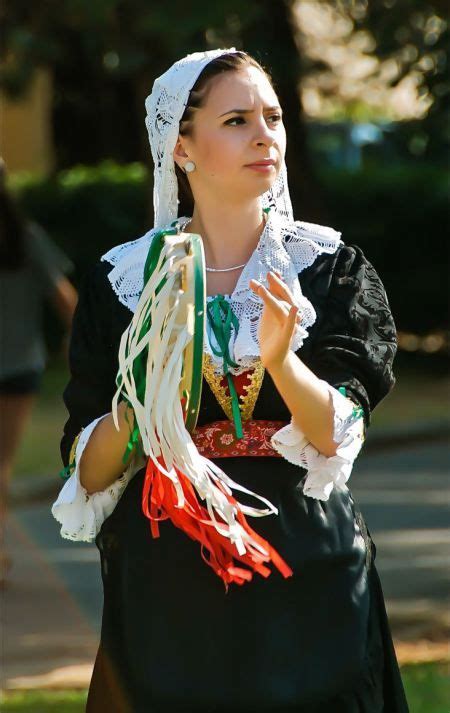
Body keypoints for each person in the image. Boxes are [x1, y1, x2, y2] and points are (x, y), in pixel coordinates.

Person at [52, 49, 409, 712]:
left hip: (307, 570)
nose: (266, 134)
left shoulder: (327, 270)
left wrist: (280, 360)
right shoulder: (124, 283)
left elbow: (339, 431)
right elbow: (91, 470)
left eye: (272, 117)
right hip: (169, 585)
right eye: (238, 119)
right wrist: (145, 397)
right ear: (181, 146)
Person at [0, 158, 78, 585]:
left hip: (17, 363)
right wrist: (81, 343)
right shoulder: (25, 238)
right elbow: (64, 297)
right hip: (20, 364)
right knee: (2, 462)